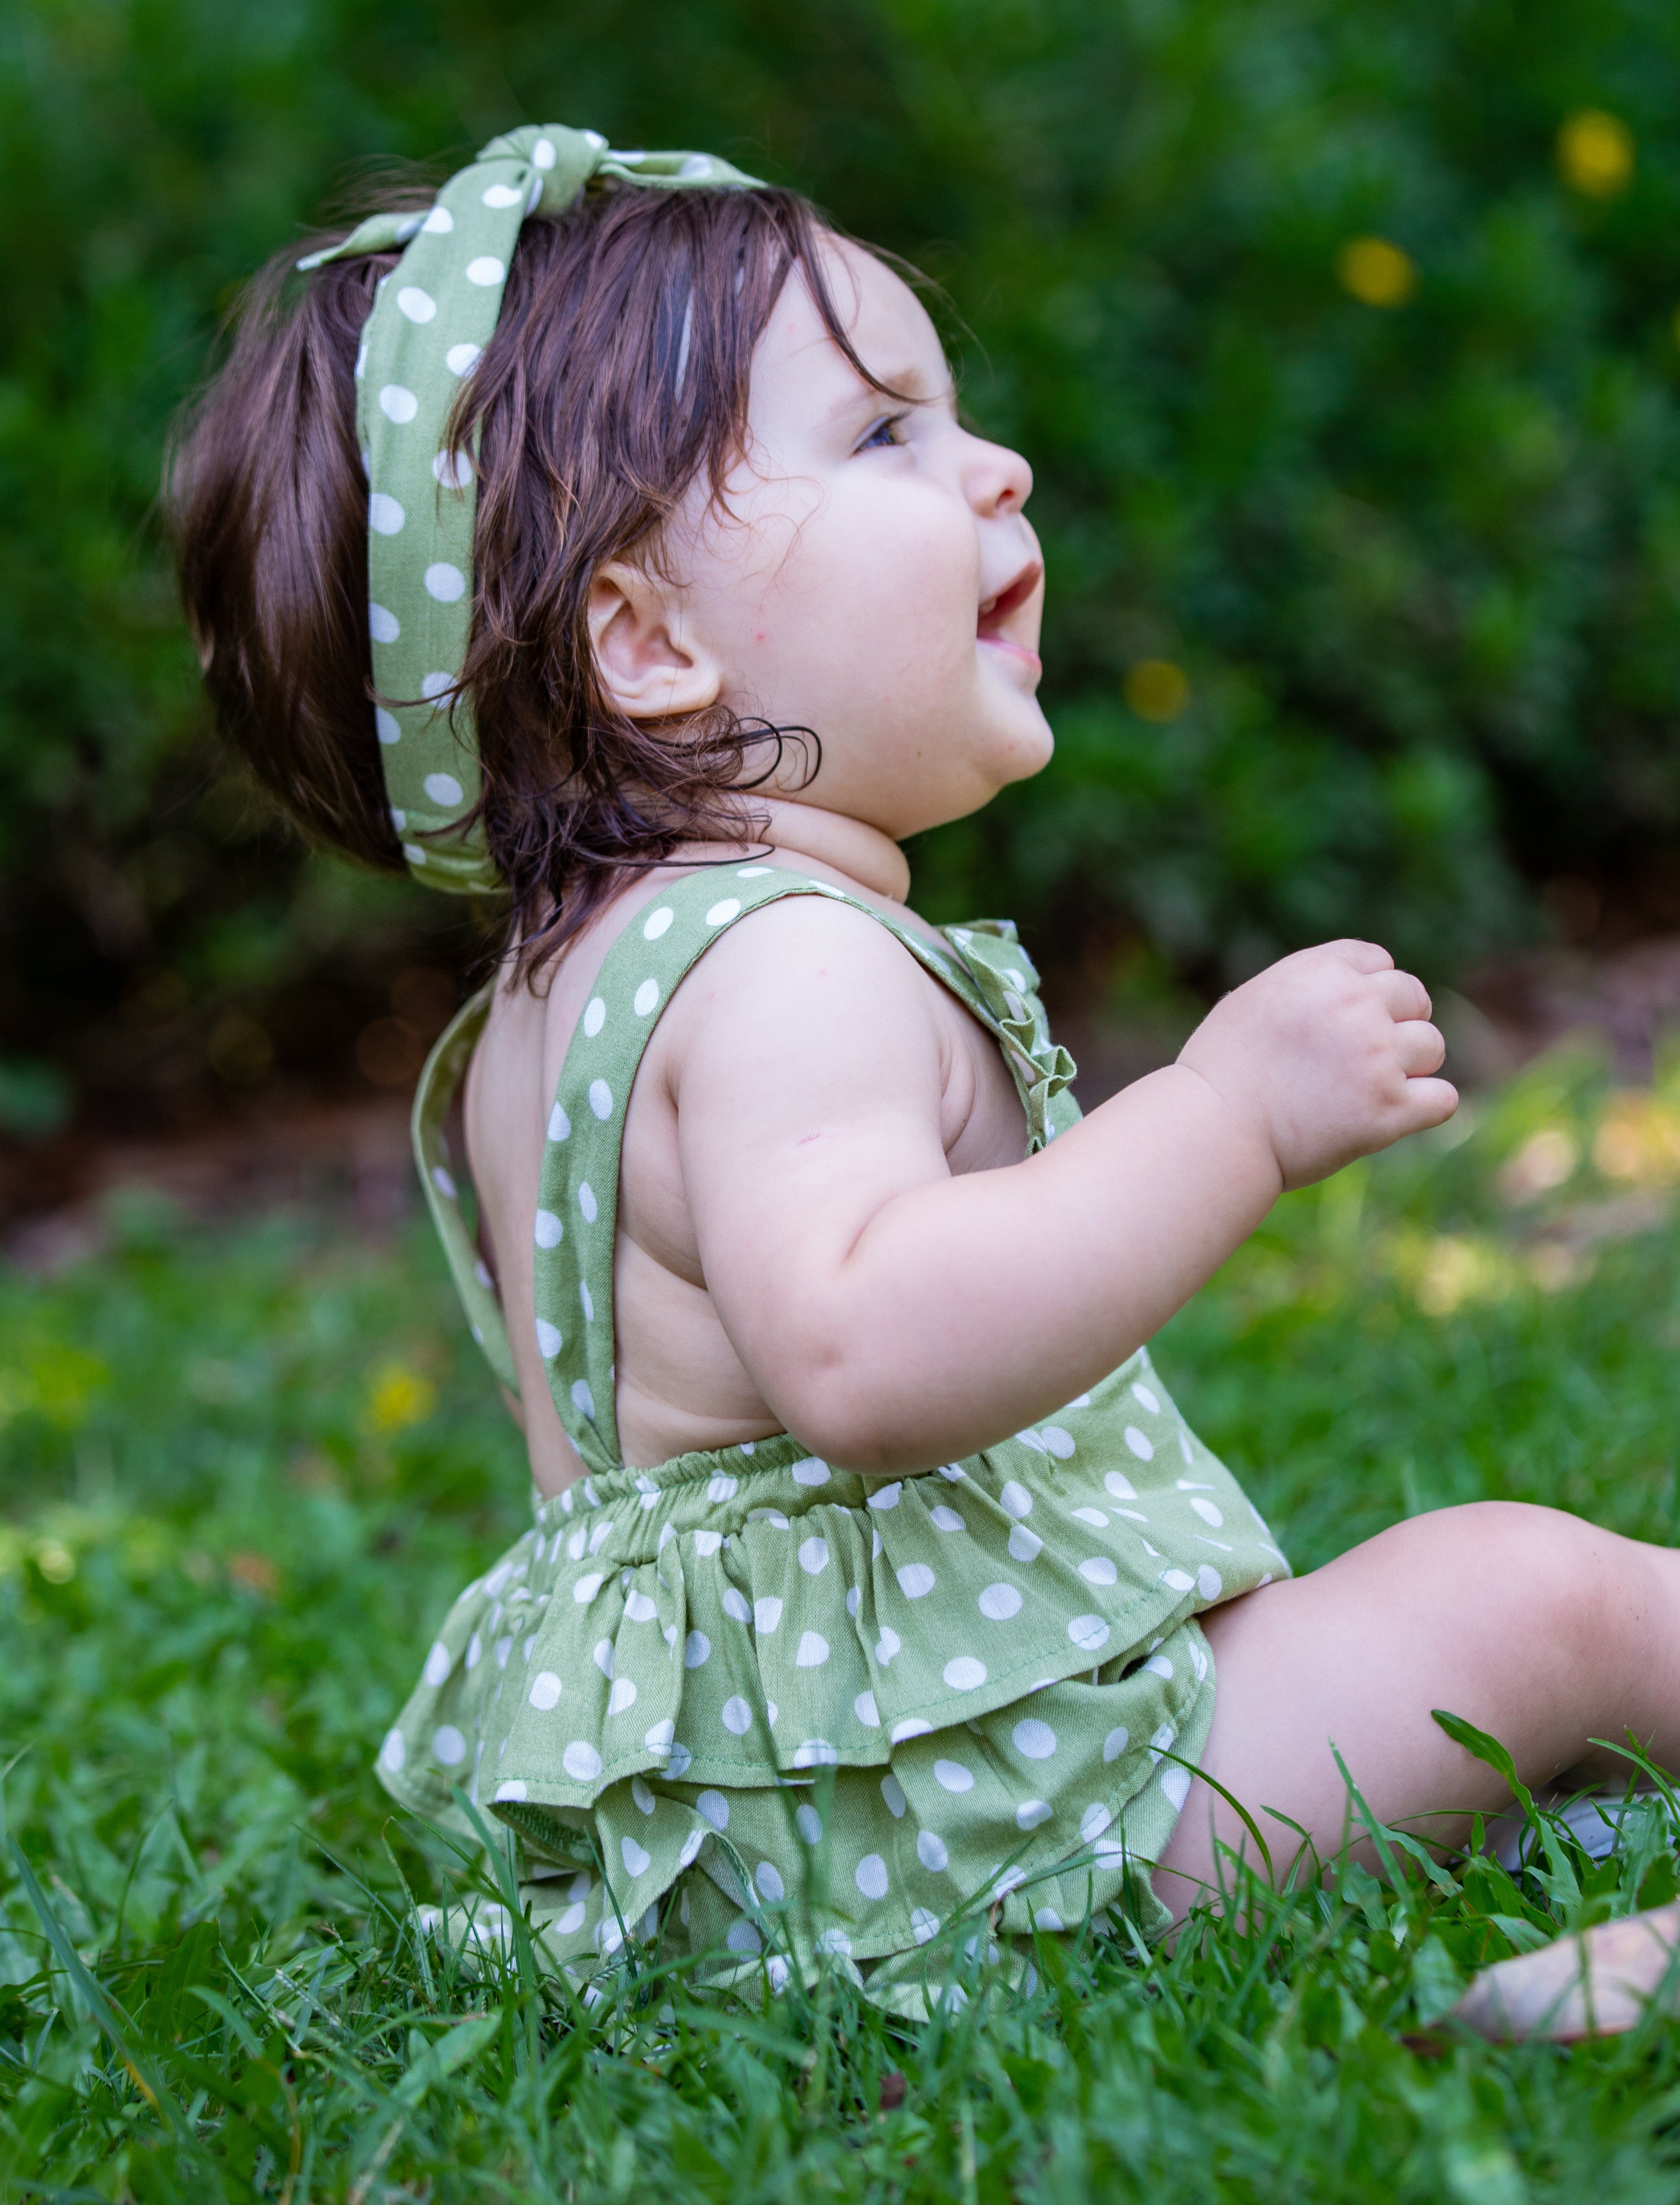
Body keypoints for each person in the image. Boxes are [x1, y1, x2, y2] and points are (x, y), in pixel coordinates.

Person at [169, 123, 1680, 2019]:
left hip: (776, 1849)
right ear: (646, 644)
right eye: (882, 433)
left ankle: (1538, 1863)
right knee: (1525, 1590)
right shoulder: (788, 964)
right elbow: (865, 1355)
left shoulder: (553, 1009)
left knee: (1395, 1671)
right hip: (985, 1837)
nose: (995, 468)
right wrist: (1223, 1119)